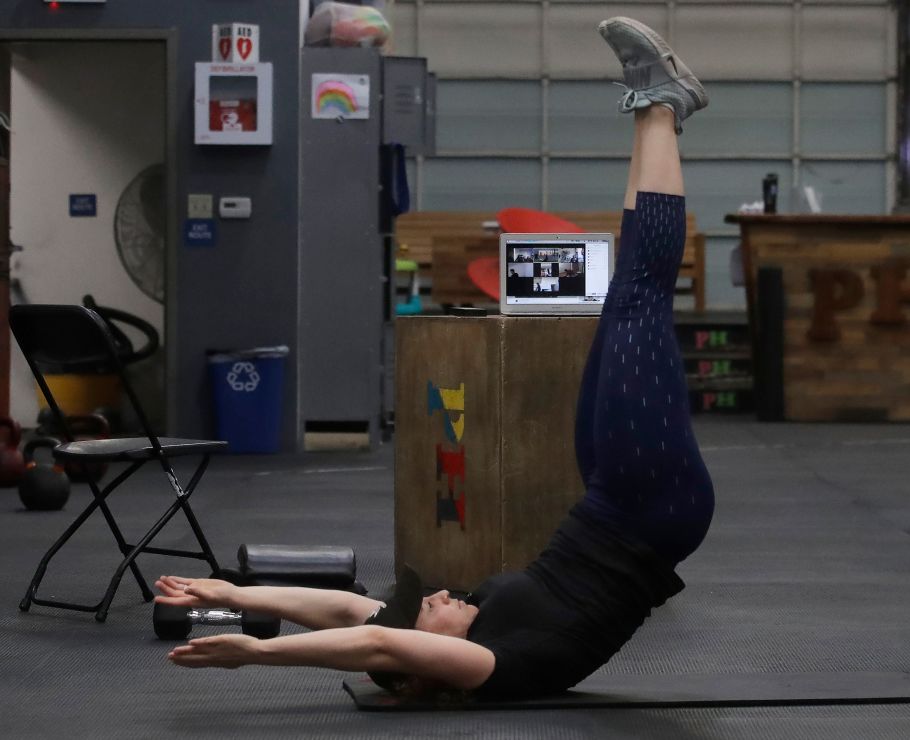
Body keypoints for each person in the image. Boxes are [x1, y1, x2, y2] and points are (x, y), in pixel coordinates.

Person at [156, 16, 714, 700]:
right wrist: (256, 654)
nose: (438, 594)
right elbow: (379, 641)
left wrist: (232, 589)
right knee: (639, 300)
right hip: (653, 509)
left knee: (625, 294)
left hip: (609, 496)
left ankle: (652, 110)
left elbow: (344, 612)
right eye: (428, 612)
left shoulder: (468, 630)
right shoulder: (503, 665)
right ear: (430, 658)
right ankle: (662, 104)